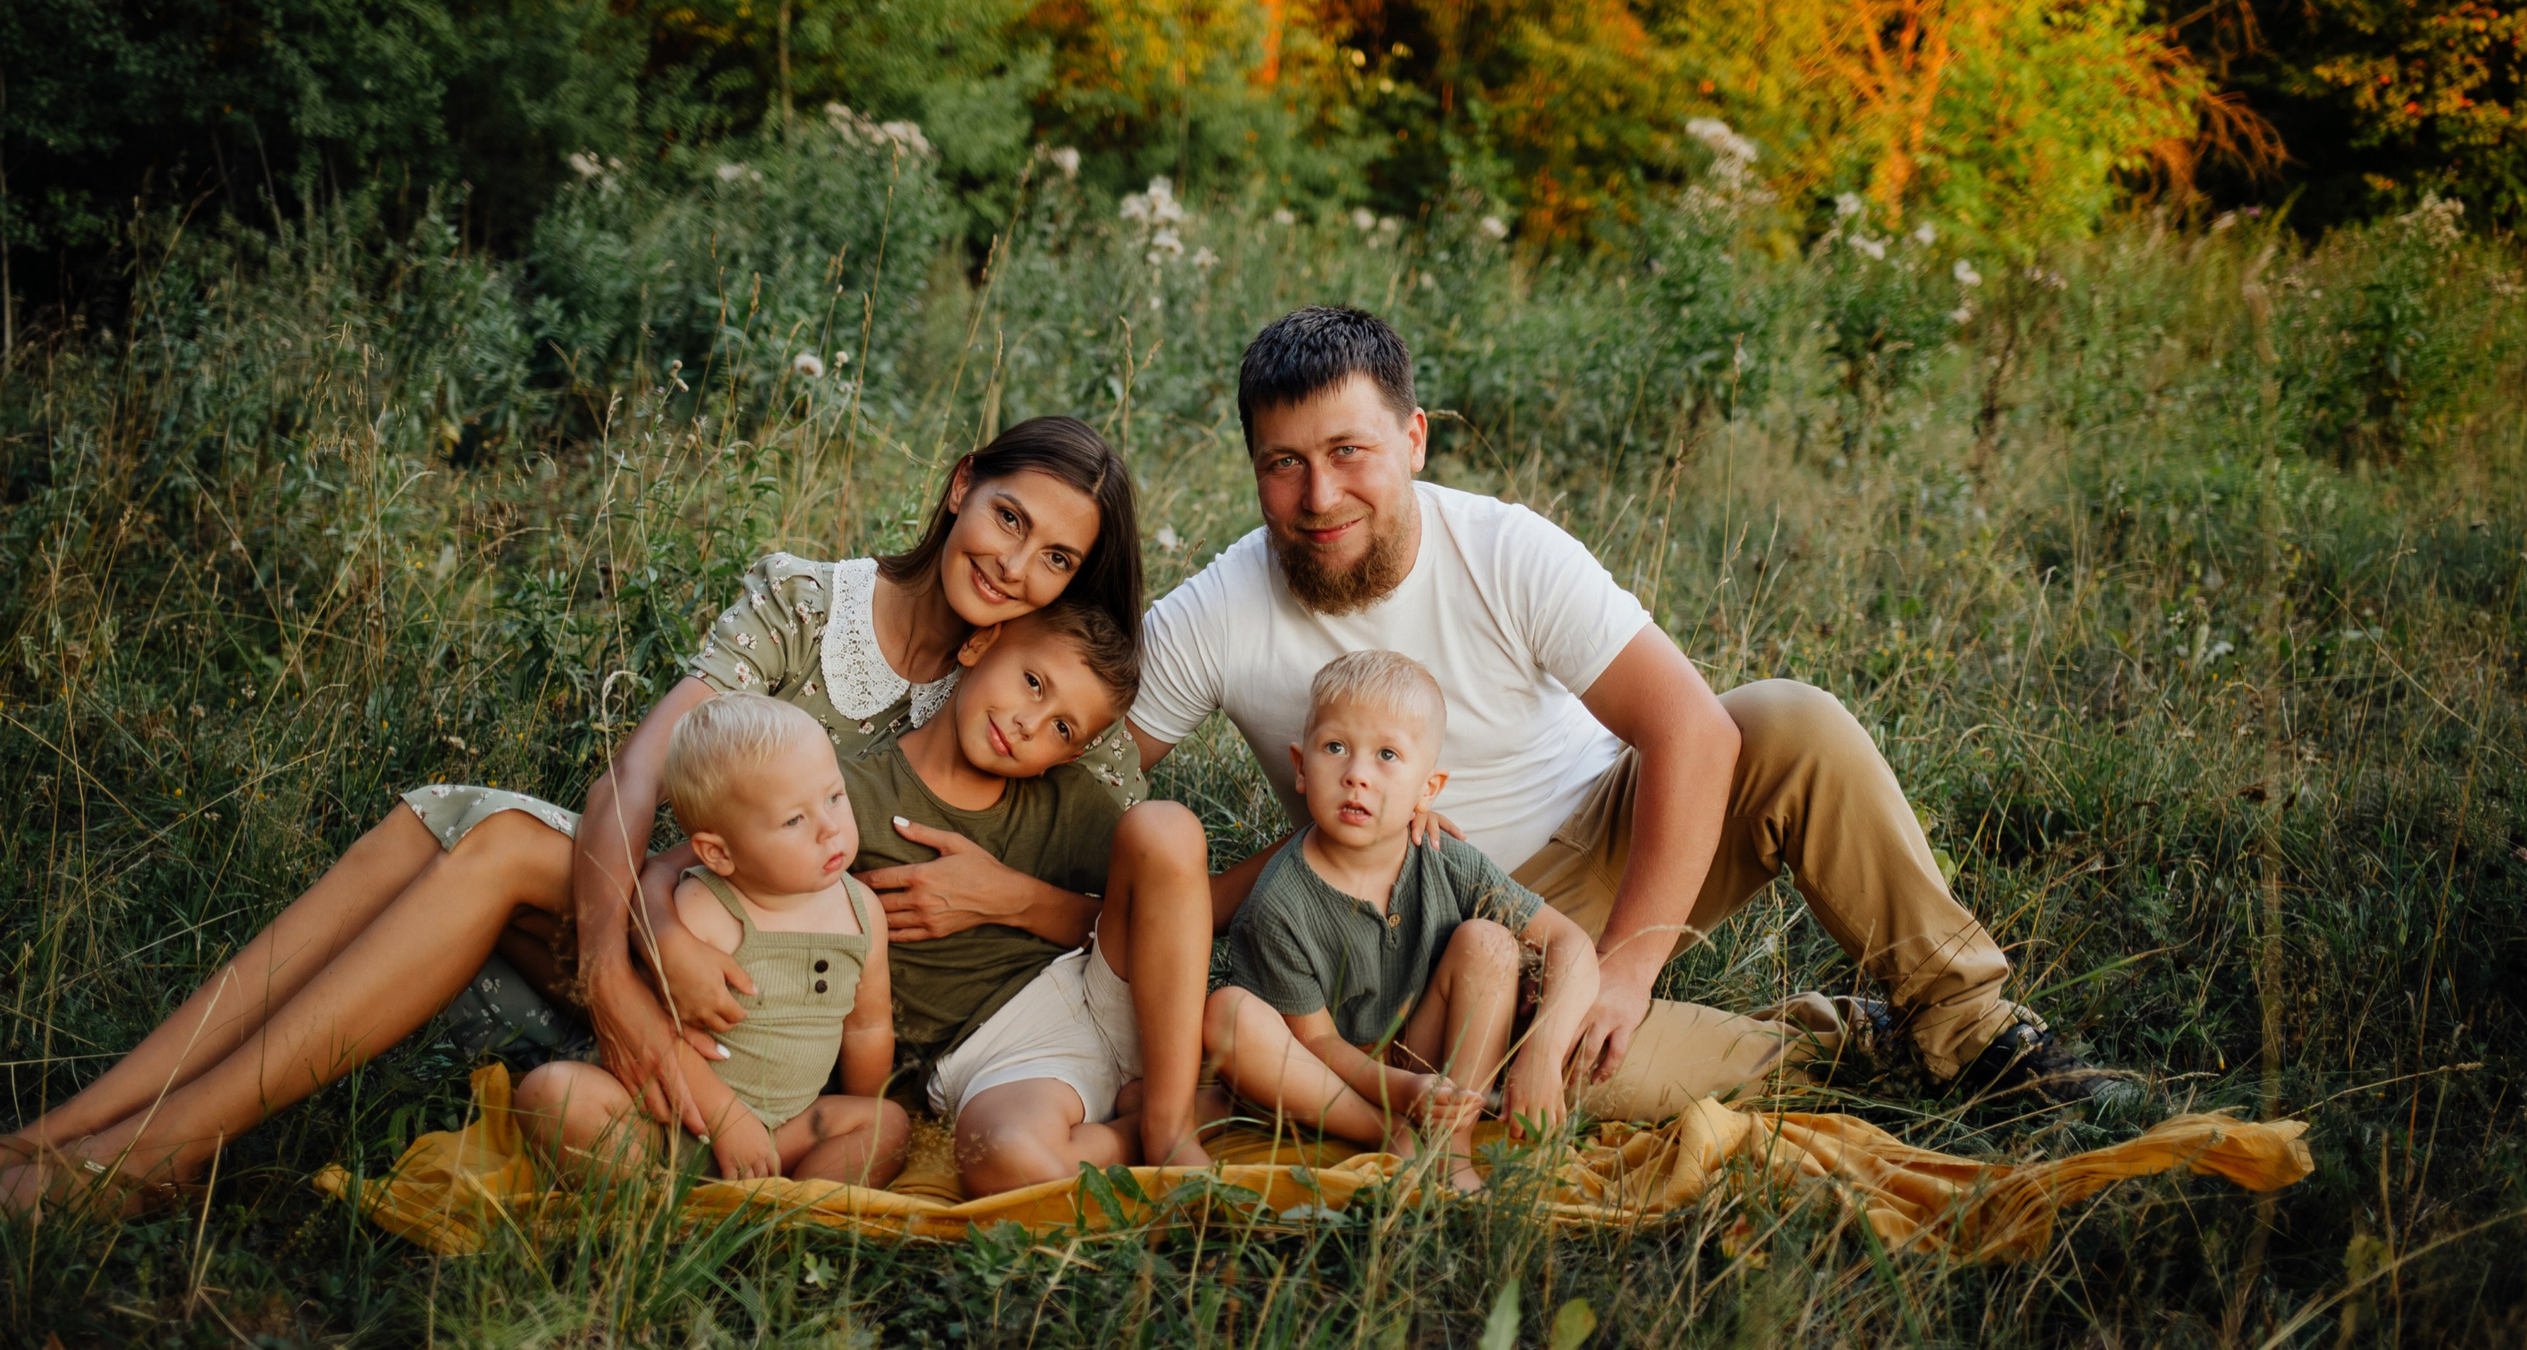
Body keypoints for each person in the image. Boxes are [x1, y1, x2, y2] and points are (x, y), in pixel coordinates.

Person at [2, 416, 1205, 1213]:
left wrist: (1024, 901)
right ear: (960, 491)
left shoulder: (1024, 690)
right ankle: (103, 1134)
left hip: (786, 1011)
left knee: (480, 841)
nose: (1016, 565)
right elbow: (637, 775)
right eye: (1009, 520)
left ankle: (138, 1150)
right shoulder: (814, 604)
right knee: (450, 828)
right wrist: (625, 967)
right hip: (663, 925)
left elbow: (1157, 895)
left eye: (1056, 559)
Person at [1133, 306, 2133, 1118]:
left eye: (1350, 451)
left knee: (1791, 720)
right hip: (1438, 934)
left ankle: (1972, 1028)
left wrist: (1630, 965)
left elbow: (1692, 731)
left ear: (1414, 439)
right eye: (1283, 463)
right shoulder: (1216, 613)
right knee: (1569, 1085)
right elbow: (1089, 774)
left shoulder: (1504, 550)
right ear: (1253, 466)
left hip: (1610, 830)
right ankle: (1851, 1049)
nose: (1319, 495)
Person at [647, 600, 1213, 1197]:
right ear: (979, 645)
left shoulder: (1064, 800)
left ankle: (1172, 1129)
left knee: (1165, 828)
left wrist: (1016, 899)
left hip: (1109, 989)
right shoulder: (844, 800)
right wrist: (666, 935)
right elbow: (672, 867)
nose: (1029, 722)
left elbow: (1186, 894)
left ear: (1072, 754)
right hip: (1004, 1066)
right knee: (1005, 1160)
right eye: (1032, 683)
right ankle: (1139, 1124)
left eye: (1063, 728)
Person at [1205, 651, 1598, 1190]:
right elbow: (1317, 1046)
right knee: (1226, 1015)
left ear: (1428, 789)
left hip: (1429, 1055)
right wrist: (1403, 1095)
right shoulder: (1280, 901)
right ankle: (1390, 1136)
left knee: (1489, 942)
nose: (1357, 775)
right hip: (1328, 1083)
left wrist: (1542, 1054)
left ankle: (1451, 1147)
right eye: (1335, 747)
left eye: (1387, 754)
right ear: (1301, 766)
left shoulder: (1445, 859)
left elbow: (1569, 942)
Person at [515, 693, 908, 1189]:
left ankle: (789, 1218)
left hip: (782, 1136)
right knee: (549, 1093)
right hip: (664, 1125)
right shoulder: (705, 912)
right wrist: (725, 1118)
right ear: (719, 854)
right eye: (794, 820)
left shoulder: (862, 913)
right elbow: (654, 1029)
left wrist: (862, 1112)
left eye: (833, 797)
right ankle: (649, 1200)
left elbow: (867, 1028)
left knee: (888, 1124)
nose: (830, 829)